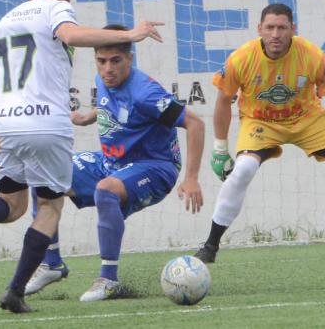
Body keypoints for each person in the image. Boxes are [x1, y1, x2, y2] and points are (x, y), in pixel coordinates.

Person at [0, 0, 164, 313]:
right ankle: (19, 287)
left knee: (13, 205)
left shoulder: (3, 23)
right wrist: (129, 34)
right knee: (50, 206)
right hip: (46, 125)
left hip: (5, 125)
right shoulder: (52, 8)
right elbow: (72, 34)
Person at [193, 3, 325, 264]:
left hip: (307, 118)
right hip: (260, 122)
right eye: (269, 28)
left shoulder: (311, 55)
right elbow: (223, 102)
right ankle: (210, 246)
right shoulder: (241, 59)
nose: (275, 34)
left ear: (293, 29)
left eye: (282, 27)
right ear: (259, 29)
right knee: (242, 170)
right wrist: (220, 149)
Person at [19, 24, 205, 302]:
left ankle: (108, 279)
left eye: (116, 61)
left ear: (129, 59)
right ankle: (52, 264)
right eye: (101, 61)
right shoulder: (103, 78)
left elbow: (195, 123)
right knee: (45, 173)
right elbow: (113, 104)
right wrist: (86, 117)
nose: (108, 68)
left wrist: (191, 178)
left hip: (155, 166)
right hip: (113, 162)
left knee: (106, 190)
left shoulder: (146, 93)